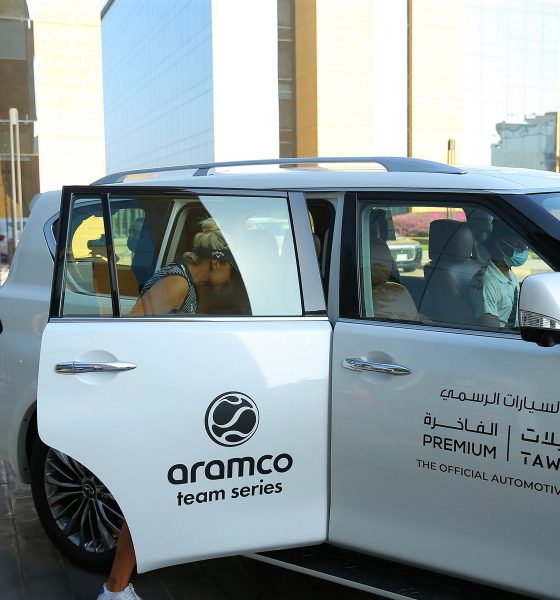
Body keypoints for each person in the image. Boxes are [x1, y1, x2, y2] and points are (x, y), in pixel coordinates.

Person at [97, 218, 234, 600]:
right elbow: (133, 334)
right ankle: (114, 589)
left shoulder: (183, 280)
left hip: (163, 398)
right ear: (216, 261)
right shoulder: (178, 283)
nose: (231, 277)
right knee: (148, 499)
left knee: (158, 495)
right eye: (231, 268)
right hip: (154, 402)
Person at [469, 220, 529, 329]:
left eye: (525, 246)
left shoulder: (509, 274)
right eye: (519, 246)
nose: (524, 251)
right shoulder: (486, 282)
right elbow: (491, 332)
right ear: (500, 244)